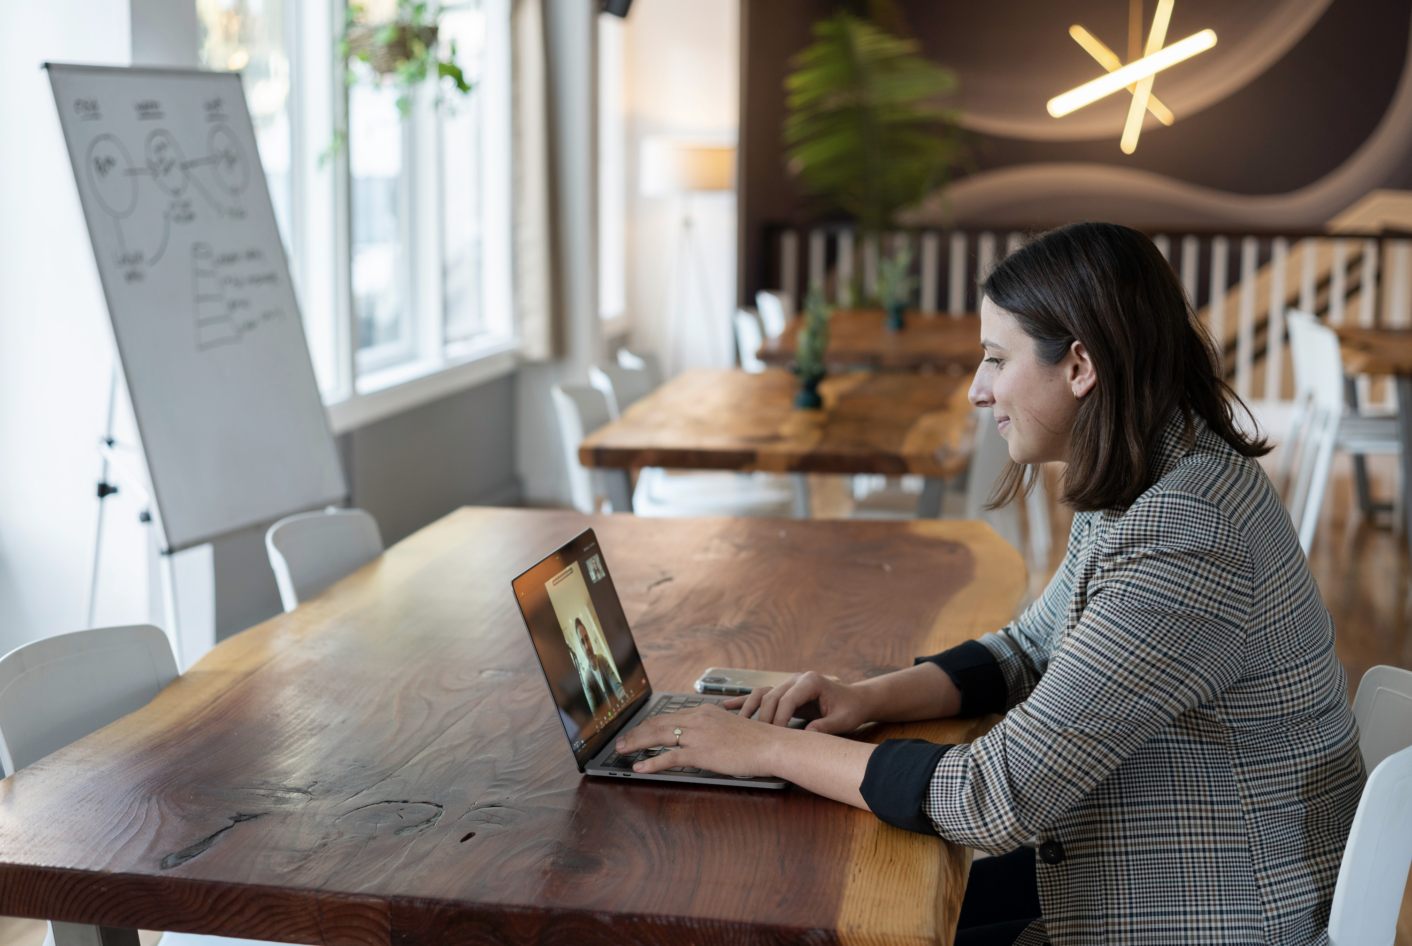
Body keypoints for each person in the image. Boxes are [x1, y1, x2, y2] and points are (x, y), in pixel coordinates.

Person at [614, 223, 1366, 946]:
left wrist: (762, 751)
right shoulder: (1158, 473)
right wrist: (866, 697)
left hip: (1212, 916)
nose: (977, 390)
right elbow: (1027, 649)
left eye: (996, 360)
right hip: (1150, 876)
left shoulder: (1189, 531)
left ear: (1079, 366)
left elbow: (993, 797)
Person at [575, 617, 623, 710]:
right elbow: (595, 714)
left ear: (590, 639)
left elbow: (617, 687)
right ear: (581, 647)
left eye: (587, 638)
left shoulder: (602, 660)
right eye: (582, 642)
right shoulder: (587, 680)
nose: (587, 646)